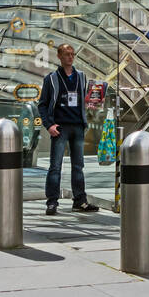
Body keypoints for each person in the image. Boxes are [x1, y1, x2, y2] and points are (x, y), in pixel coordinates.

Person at [37, 44, 100, 215]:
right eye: (66, 54)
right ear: (59, 56)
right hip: (60, 128)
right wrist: (49, 124)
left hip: (77, 126)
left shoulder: (81, 77)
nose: (70, 57)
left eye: (72, 54)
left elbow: (83, 100)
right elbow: (42, 105)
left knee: (78, 166)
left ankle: (80, 201)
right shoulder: (51, 79)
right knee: (55, 166)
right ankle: (52, 202)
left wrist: (91, 104)